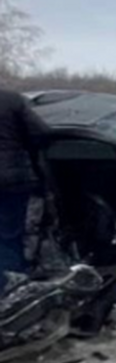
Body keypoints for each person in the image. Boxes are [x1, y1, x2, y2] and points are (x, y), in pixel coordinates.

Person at [0, 88, 49, 292]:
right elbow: (41, 133)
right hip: (11, 180)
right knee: (8, 234)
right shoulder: (11, 100)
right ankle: (12, 289)